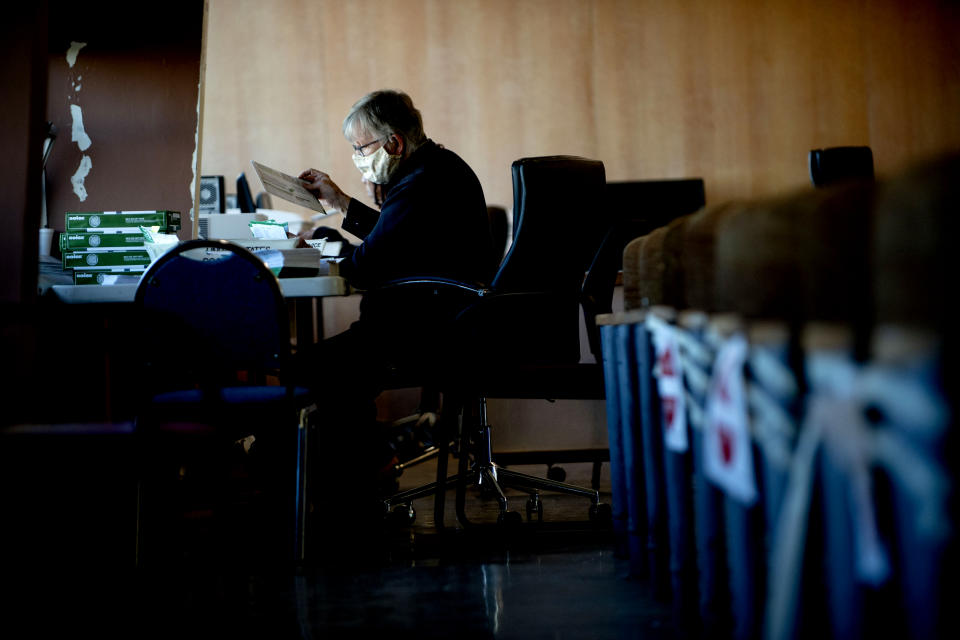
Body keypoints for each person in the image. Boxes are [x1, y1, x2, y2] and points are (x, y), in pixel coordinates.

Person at [292, 90, 496, 507]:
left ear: (394, 143)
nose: (357, 157)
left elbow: (367, 266)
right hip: (441, 320)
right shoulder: (433, 168)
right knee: (330, 366)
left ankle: (364, 475)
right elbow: (395, 240)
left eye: (360, 147)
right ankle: (367, 468)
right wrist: (341, 203)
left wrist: (320, 243)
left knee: (314, 367)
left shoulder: (420, 184)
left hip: (426, 330)